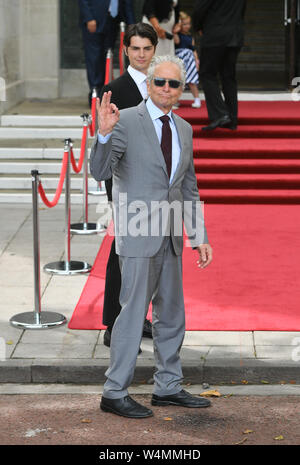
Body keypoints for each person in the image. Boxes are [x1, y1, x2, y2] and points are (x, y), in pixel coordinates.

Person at [90, 55, 213, 419]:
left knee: (172, 315)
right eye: (160, 82)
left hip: (171, 233)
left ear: (180, 91)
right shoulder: (125, 120)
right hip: (138, 232)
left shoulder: (185, 130)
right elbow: (99, 170)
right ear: (148, 84)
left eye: (174, 84)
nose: (166, 89)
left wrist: (199, 234)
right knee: (130, 317)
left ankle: (168, 387)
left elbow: (188, 187)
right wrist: (103, 133)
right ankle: (114, 392)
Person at [99, 23, 158, 351]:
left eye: (146, 49)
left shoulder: (162, 85)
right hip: (125, 186)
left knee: (150, 256)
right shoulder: (115, 89)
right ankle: (113, 324)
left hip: (157, 186)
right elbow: (105, 143)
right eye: (135, 48)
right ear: (125, 50)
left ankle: (140, 317)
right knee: (121, 255)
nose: (140, 54)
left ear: (154, 50)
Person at [192, 0, 247, 130]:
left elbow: (199, 10)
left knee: (207, 74)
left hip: (214, 35)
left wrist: (198, 27)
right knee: (229, 77)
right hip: (235, 35)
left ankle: (220, 114)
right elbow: (242, 10)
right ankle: (232, 119)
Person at [78, 0, 135, 105]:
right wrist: (89, 17)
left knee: (108, 57)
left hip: (113, 20)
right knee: (94, 58)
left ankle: (104, 94)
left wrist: (131, 24)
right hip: (94, 18)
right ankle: (95, 94)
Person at [174, 11, 201, 108]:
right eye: (184, 24)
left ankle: (197, 99)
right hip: (180, 59)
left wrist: (196, 60)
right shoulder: (177, 35)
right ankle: (175, 100)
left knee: (192, 81)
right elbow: (176, 41)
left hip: (190, 60)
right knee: (178, 81)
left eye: (188, 24)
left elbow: (193, 49)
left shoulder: (190, 36)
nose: (187, 26)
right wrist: (175, 32)